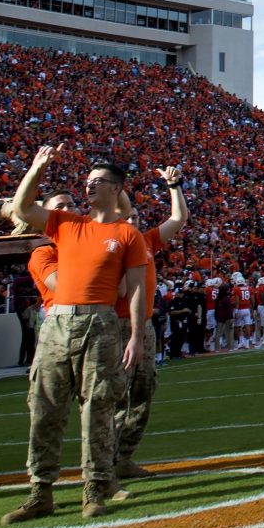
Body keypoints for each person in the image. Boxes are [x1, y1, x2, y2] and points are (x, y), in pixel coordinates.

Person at [0, 147, 149, 525]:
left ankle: (95, 489)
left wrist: (134, 335)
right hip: (58, 323)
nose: (89, 187)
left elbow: (135, 289)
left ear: (116, 189)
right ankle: (40, 492)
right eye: (87, 182)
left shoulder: (126, 233)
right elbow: (22, 208)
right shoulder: (67, 224)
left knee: (98, 408)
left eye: (98, 182)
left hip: (100, 324)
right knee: (44, 407)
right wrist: (35, 168)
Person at [110, 165, 187, 479]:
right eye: (127, 217)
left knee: (144, 391)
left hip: (144, 325)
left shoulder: (147, 242)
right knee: (115, 393)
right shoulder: (111, 247)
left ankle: (124, 457)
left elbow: (179, 218)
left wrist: (175, 186)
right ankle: (107, 460)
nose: (134, 219)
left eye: (136, 216)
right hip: (115, 325)